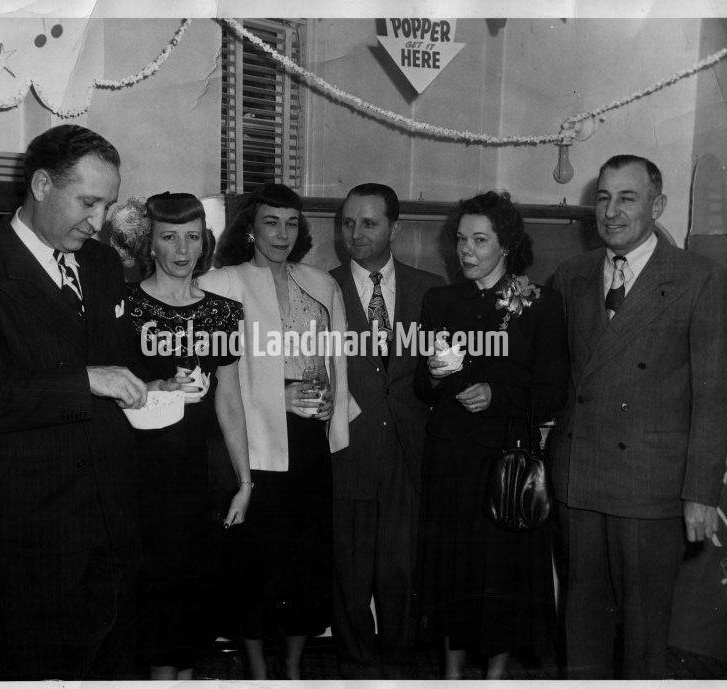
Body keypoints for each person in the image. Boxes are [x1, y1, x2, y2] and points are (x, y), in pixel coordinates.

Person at [0, 124, 148, 680]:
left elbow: (116, 363)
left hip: (115, 517)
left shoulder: (102, 265)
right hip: (34, 532)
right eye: (88, 202)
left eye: (108, 205)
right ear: (43, 184)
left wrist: (155, 386)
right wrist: (85, 381)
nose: (99, 221)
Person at [549, 154, 727, 679]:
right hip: (579, 477)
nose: (611, 211)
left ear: (657, 206)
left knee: (643, 634)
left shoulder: (699, 277)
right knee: (581, 626)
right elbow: (555, 376)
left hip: (651, 486)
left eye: (627, 199)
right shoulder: (572, 275)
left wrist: (700, 493)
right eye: (603, 198)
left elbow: (714, 394)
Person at [197, 183, 355, 680]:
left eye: (291, 223)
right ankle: (258, 670)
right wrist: (275, 397)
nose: (282, 234)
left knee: (306, 561)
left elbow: (336, 360)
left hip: (308, 443)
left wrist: (331, 403)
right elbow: (210, 382)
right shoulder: (221, 283)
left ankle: (292, 667)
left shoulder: (321, 283)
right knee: (252, 563)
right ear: (249, 227)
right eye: (271, 222)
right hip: (251, 442)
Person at [414, 190, 568, 679]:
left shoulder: (540, 304)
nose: (466, 250)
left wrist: (496, 396)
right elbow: (422, 386)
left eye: (480, 240)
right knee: (451, 575)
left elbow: (552, 392)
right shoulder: (439, 301)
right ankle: (452, 675)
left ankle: (494, 678)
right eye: (461, 239)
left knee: (502, 576)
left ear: (507, 245)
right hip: (450, 459)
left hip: (506, 462)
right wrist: (434, 375)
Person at [108, 192, 251, 679]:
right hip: (142, 475)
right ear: (150, 245)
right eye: (169, 237)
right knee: (155, 607)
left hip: (201, 476)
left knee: (193, 607)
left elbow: (230, 399)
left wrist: (245, 482)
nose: (182, 249)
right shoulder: (124, 306)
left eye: (192, 237)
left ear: (205, 242)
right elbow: (105, 391)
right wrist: (152, 389)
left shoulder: (224, 312)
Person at [329, 183, 444, 678]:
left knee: (403, 572)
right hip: (347, 452)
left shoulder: (430, 288)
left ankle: (399, 669)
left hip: (409, 452)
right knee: (348, 576)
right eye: (348, 222)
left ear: (394, 229)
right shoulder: (321, 286)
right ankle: (355, 670)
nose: (355, 233)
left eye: (369, 223)